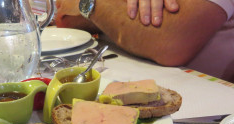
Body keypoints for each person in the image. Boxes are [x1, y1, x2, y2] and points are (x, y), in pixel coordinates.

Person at [55, 0, 234, 82]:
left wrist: (89, 3)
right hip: (118, 83)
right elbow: (65, 17)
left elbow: (169, 43)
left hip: (204, 109)